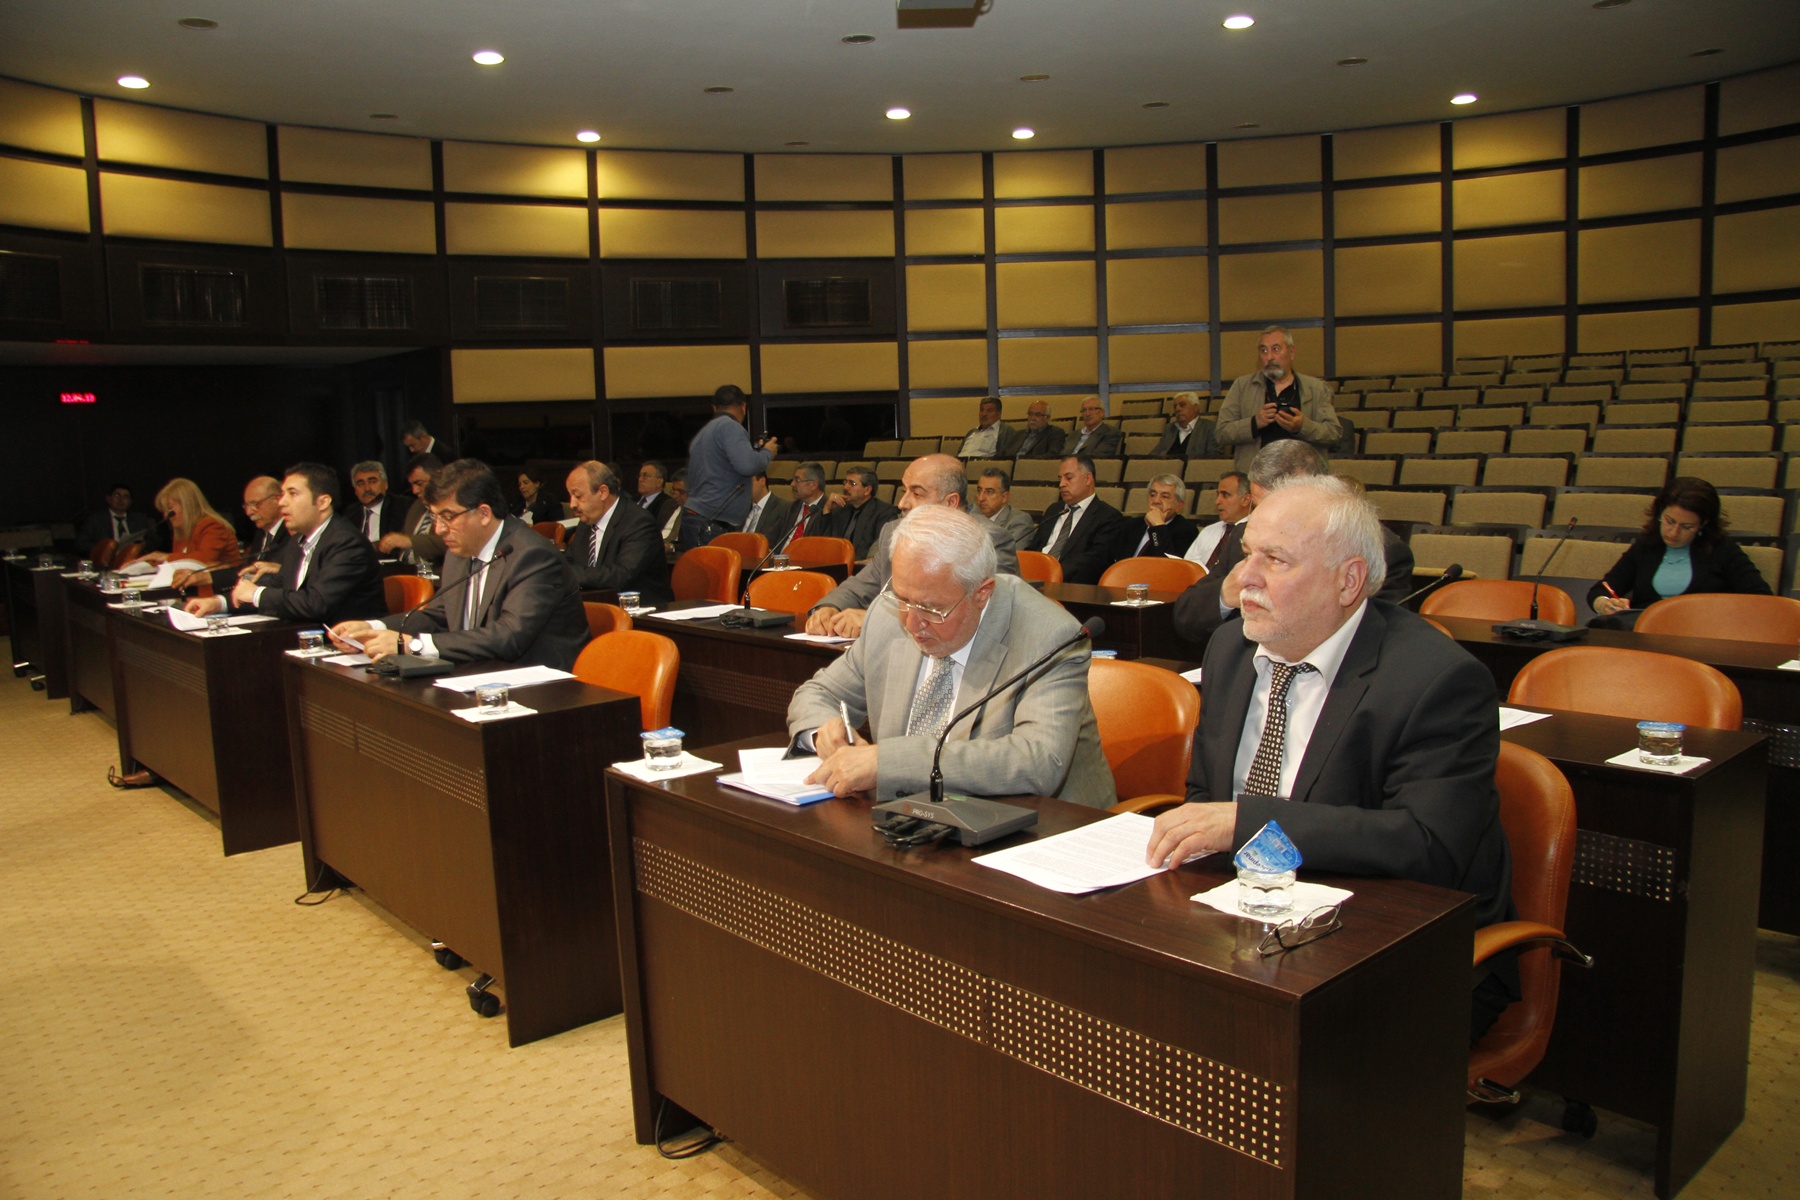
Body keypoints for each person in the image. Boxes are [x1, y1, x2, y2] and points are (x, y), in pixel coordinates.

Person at [1144, 475, 1514, 1039]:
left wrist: (1250, 824)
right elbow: (1207, 795)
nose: (1245, 579)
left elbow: (1428, 846)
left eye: (1275, 560)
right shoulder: (1231, 649)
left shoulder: (1437, 679)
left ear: (1348, 581)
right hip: (1255, 922)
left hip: (1399, 947)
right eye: (1247, 554)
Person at [788, 505, 1115, 808]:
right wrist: (822, 734)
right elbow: (818, 693)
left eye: (932, 608)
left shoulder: (1049, 636)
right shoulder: (886, 617)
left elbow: (1039, 761)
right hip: (912, 821)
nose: (911, 622)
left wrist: (889, 763)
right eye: (903, 599)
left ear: (981, 593)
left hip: (1040, 824)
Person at [328, 459, 589, 670]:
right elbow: (439, 616)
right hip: (479, 671)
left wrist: (413, 646)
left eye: (448, 517)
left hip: (541, 685)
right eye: (435, 517)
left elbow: (508, 636)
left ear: (484, 513)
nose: (439, 529)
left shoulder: (532, 555)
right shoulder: (459, 552)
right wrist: (373, 628)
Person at [1172, 441, 1415, 646]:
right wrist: (1225, 594)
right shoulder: (1245, 537)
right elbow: (1185, 616)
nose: (1265, 519)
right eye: (1259, 505)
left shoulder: (1382, 551)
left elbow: (1374, 642)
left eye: (1283, 507)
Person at [804, 454, 1021, 639]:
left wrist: (874, 619)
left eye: (917, 494)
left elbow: (991, 615)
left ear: (950, 502)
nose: (902, 503)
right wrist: (828, 608)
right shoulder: (895, 531)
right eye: (904, 491)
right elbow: (860, 586)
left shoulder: (989, 540)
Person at [184, 463, 385, 626]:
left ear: (322, 502)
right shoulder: (298, 542)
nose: (282, 502)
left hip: (351, 646)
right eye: (282, 494)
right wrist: (219, 603)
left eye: (293, 494)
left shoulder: (346, 542)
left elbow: (316, 603)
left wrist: (255, 594)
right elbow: (277, 589)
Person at [1589, 476, 1770, 619]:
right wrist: (1604, 604)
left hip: (1702, 636)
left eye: (1687, 527)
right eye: (1670, 521)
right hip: (1644, 634)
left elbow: (1762, 600)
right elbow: (1600, 590)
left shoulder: (1723, 551)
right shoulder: (1646, 546)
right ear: (1660, 513)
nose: (1674, 533)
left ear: (1703, 524)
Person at [1213, 326, 1342, 471]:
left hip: (1302, 477)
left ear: (1291, 352)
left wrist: (1303, 426)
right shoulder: (1242, 386)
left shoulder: (1316, 388)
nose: (1269, 357)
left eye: (1276, 349)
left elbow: (1333, 432)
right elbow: (1221, 432)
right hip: (1257, 476)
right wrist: (1254, 423)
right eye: (1264, 351)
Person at [680, 384, 779, 550]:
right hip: (711, 521)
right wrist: (768, 453)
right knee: (718, 568)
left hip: (698, 515)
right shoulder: (730, 427)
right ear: (743, 407)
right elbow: (748, 466)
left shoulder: (703, 434)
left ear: (714, 407)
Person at [563, 461, 672, 605]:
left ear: (603, 492)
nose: (572, 504)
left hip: (641, 608)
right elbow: (570, 561)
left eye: (578, 496)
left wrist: (565, 573)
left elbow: (621, 575)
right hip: (597, 603)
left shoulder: (638, 522)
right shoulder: (586, 522)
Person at [172, 475, 288, 593]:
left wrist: (209, 577)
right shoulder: (262, 533)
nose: (249, 512)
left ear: (277, 499)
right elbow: (249, 571)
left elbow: (268, 578)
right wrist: (215, 571)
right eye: (246, 506)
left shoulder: (291, 533)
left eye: (255, 504)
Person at [1028, 455, 1129, 585]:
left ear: (1087, 479)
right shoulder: (1054, 510)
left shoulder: (1108, 516)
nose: (1061, 484)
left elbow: (1094, 561)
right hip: (1034, 579)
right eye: (1060, 479)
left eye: (1068, 478)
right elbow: (1035, 547)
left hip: (1070, 585)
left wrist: (1050, 573)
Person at [141, 478, 240, 568]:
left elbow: (205, 559)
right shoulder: (181, 531)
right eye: (164, 511)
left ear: (187, 505)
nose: (167, 516)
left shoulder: (212, 526)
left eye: (170, 508)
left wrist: (167, 557)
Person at [377, 453, 448, 569]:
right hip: (404, 570)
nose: (414, 491)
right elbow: (400, 538)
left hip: (435, 573)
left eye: (419, 484)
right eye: (412, 485)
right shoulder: (417, 506)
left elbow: (449, 542)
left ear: (439, 477)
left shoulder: (453, 506)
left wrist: (410, 541)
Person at [816, 466, 899, 559]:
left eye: (852, 483)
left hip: (862, 565)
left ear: (867, 490)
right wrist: (827, 509)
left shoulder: (884, 512)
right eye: (845, 482)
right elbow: (821, 542)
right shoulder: (840, 509)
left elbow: (881, 551)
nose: (846, 487)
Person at [1114, 474, 1197, 560]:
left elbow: (1169, 563)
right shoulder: (1131, 525)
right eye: (1153, 495)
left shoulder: (1186, 531)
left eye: (1165, 496)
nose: (1156, 501)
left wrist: (1158, 527)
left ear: (1179, 505)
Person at [1185, 471, 1254, 569]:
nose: (1217, 501)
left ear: (1245, 500)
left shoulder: (1256, 534)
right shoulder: (1209, 531)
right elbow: (1187, 567)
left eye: (1225, 495)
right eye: (1218, 495)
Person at [972, 468, 1038, 548]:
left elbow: (1007, 554)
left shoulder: (1019, 521)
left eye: (989, 492)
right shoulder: (971, 515)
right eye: (979, 491)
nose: (981, 498)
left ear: (1004, 497)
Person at [773, 462, 830, 550]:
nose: (792, 484)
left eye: (798, 480)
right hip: (781, 556)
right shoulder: (791, 508)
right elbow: (772, 536)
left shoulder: (828, 511)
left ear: (813, 485)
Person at [77, 484, 150, 552]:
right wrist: (105, 548)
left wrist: (144, 545)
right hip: (106, 558)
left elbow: (152, 541)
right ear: (108, 499)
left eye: (125, 497)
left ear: (130, 502)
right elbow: (81, 544)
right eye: (117, 495)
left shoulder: (139, 519)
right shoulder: (96, 519)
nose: (121, 500)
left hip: (132, 556)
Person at [351, 461, 409, 545]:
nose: (367, 488)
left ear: (385, 484)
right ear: (355, 490)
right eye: (361, 483)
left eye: (372, 481)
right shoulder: (350, 515)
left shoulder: (403, 508)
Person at [1150, 392, 1214, 459]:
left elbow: (1212, 459)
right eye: (1175, 406)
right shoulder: (1170, 428)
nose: (1177, 409)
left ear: (1196, 408)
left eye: (1182, 405)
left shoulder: (1210, 428)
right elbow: (1155, 454)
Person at [954, 397, 1020, 460]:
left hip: (983, 465)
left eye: (989, 411)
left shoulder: (1006, 431)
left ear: (999, 414)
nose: (984, 414)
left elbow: (1006, 459)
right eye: (982, 410)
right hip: (959, 464)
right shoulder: (971, 432)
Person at [745, 471, 793, 542]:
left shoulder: (784, 508)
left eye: (748, 482)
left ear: (762, 480)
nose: (744, 486)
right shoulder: (739, 508)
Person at [634, 461, 678, 531]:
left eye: (645, 476)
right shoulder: (631, 500)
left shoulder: (667, 505)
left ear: (659, 482)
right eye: (639, 475)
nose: (640, 479)